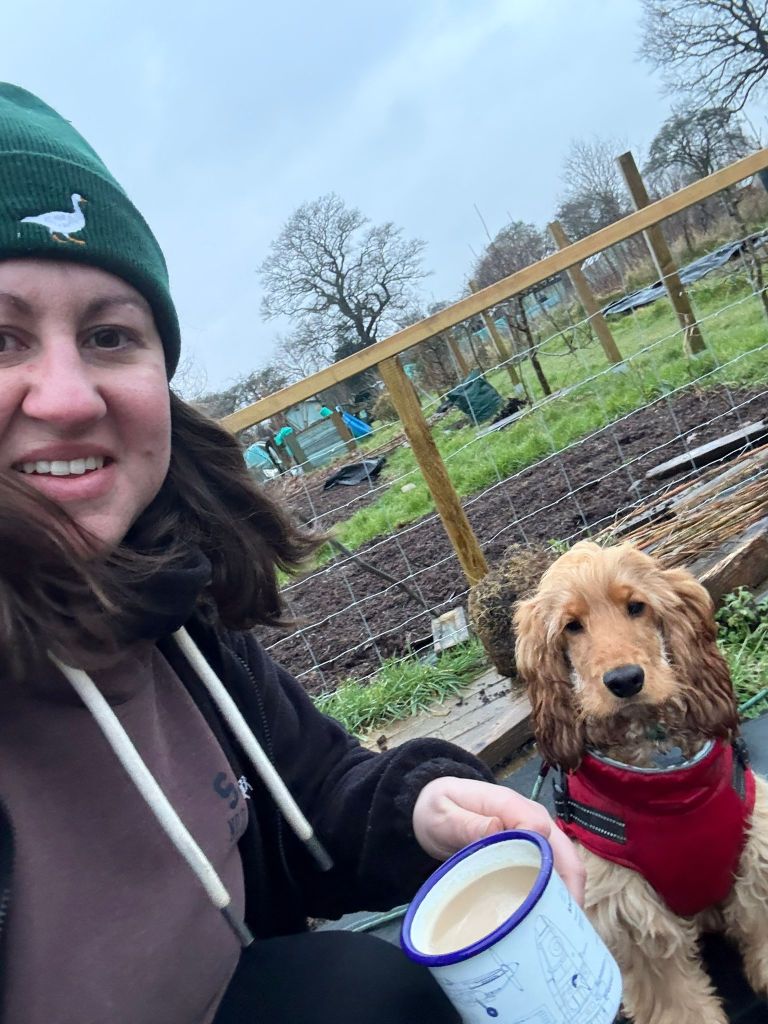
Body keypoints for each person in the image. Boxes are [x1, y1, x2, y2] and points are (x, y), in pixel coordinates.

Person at [0, 82, 584, 1024]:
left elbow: (314, 788)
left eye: (109, 335)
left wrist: (422, 807)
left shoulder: (166, 596)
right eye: (2, 338)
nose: (67, 397)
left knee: (364, 991)